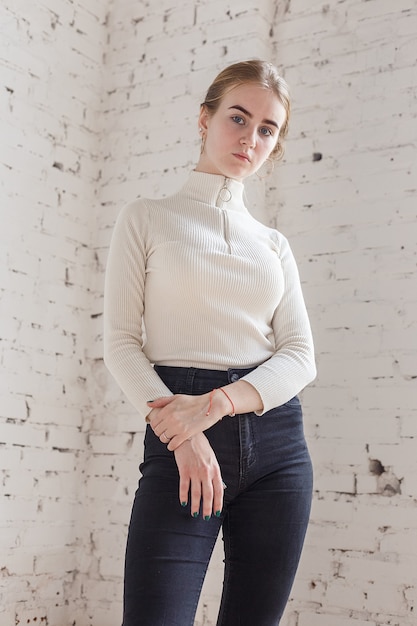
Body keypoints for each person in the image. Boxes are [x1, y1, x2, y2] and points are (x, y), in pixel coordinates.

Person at [104, 59, 316, 626]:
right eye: (238, 118)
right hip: (178, 430)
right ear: (205, 118)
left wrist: (217, 405)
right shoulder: (147, 219)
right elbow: (122, 343)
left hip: (276, 446)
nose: (251, 139)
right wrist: (183, 435)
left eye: (267, 129)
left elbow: (299, 356)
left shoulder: (273, 244)